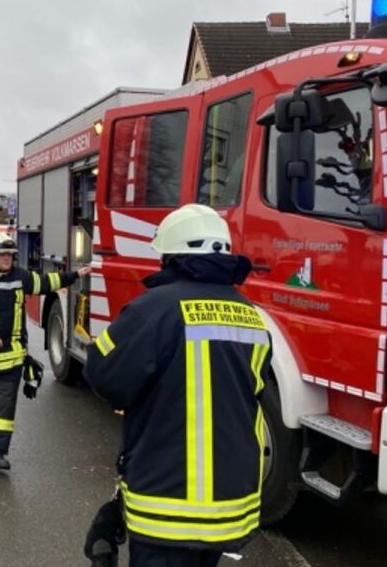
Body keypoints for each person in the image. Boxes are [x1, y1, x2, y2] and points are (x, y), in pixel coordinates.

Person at [82, 204, 272, 567]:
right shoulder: (252, 316)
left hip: (166, 505)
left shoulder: (155, 308)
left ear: (170, 256)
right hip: (230, 507)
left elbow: (105, 376)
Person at [0, 232, 90, 471]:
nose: (7, 258)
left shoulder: (21, 277)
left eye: (10, 254)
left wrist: (75, 275)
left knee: (4, 405)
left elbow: (47, 283)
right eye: (2, 254)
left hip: (12, 358)